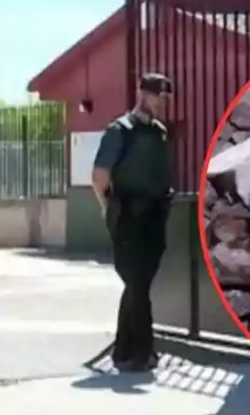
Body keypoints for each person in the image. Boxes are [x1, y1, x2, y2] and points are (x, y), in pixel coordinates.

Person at [90, 72, 175, 372]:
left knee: (139, 284)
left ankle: (126, 351)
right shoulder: (119, 130)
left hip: (154, 218)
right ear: (144, 95)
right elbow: (99, 177)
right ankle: (142, 352)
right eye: (161, 97)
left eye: (168, 98)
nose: (165, 103)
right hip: (128, 218)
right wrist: (109, 210)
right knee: (136, 282)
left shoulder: (160, 132)